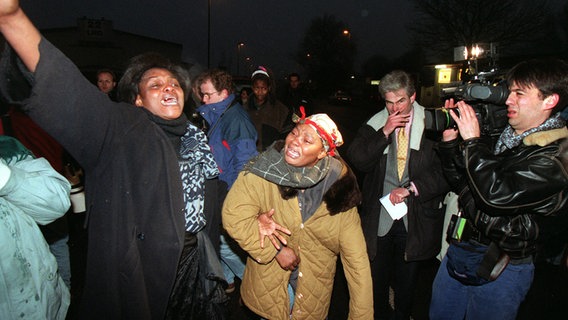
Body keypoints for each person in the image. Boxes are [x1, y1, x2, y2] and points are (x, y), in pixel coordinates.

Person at [0, 2, 227, 318]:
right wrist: (12, 18)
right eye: (155, 84)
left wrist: (254, 215)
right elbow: (68, 91)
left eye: (175, 83)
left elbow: (216, 196)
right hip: (142, 280)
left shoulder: (195, 139)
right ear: (137, 98)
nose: (170, 88)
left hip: (194, 270)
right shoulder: (120, 130)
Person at [429, 58, 568, 320]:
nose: (507, 100)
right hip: (462, 250)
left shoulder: (554, 156)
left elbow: (493, 196)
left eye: (519, 93)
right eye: (509, 91)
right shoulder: (505, 136)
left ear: (549, 101)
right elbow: (463, 183)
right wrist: (450, 145)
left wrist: (473, 142)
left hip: (505, 267)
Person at [223, 108, 373, 319]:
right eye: (294, 133)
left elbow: (356, 262)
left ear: (322, 153)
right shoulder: (265, 170)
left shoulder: (340, 192)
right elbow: (233, 214)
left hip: (312, 301)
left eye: (307, 140)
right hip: (267, 295)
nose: (294, 142)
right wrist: (275, 251)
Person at [346, 70, 449, 320]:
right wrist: (383, 133)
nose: (394, 108)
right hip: (380, 216)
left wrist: (413, 187)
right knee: (376, 280)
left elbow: (446, 172)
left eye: (400, 100)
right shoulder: (376, 122)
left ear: (413, 96)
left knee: (407, 282)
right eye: (389, 102)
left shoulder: (433, 123)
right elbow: (357, 159)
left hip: (416, 216)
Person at [194, 69, 258, 293]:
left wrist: (235, 201)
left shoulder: (236, 120)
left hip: (229, 193)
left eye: (207, 95)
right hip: (220, 189)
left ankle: (254, 285)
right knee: (220, 242)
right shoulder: (218, 114)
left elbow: (246, 164)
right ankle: (229, 280)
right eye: (202, 94)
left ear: (223, 93)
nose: (203, 99)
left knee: (223, 243)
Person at [0, 135, 71, 320]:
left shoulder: (7, 148)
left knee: (60, 243)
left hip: (50, 305)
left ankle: (67, 284)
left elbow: (57, 201)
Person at [243, 66, 290, 151]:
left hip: (272, 157)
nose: (260, 92)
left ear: (269, 88)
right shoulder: (243, 110)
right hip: (249, 155)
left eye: (263, 88)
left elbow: (287, 133)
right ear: (252, 88)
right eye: (257, 88)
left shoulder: (281, 110)